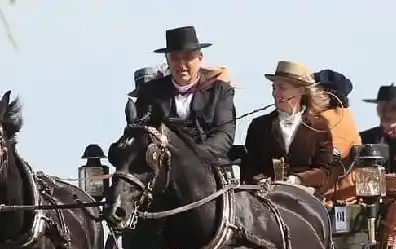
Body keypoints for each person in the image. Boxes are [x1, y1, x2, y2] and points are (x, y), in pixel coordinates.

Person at [133, 25, 236, 161]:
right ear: (167, 60)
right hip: (163, 166)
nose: (181, 65)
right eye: (175, 58)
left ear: (200, 58)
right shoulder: (150, 92)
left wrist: (194, 155)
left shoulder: (219, 91)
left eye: (188, 58)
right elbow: (139, 132)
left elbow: (224, 134)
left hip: (207, 165)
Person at [240, 60, 334, 196]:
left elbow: (324, 172)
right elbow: (250, 167)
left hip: (305, 198)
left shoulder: (319, 127)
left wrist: (297, 180)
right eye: (274, 87)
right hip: (266, 197)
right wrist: (261, 181)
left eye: (281, 88)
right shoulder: (259, 126)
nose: (275, 93)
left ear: (301, 90)